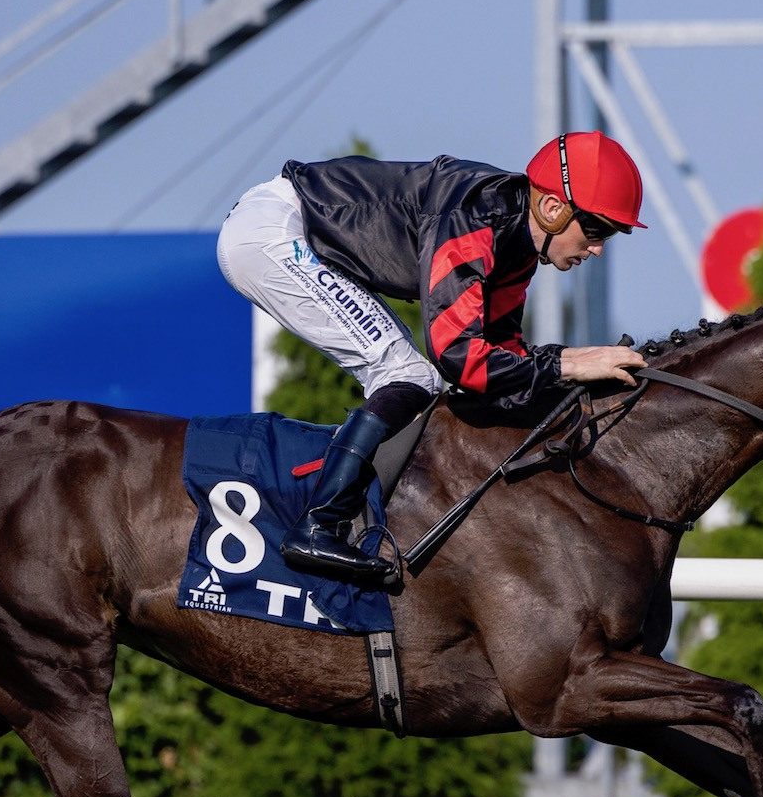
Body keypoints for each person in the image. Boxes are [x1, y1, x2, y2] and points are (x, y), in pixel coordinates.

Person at [217, 130, 650, 586]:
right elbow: (458, 357)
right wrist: (568, 364)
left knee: (412, 376)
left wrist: (572, 374)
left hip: (289, 229)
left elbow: (504, 357)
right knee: (408, 373)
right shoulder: (474, 218)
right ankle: (318, 526)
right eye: (596, 230)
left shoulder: (516, 247)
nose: (598, 249)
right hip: (273, 232)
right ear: (553, 208)